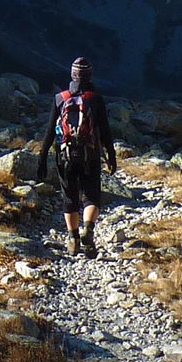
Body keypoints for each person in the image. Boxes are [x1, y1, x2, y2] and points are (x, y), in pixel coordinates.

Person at [37, 56, 117, 258]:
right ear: (90, 76)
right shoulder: (95, 98)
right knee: (91, 196)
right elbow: (105, 131)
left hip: (64, 155)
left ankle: (73, 239)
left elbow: (49, 132)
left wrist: (42, 158)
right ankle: (88, 230)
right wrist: (111, 154)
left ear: (72, 75)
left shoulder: (60, 98)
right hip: (90, 154)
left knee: (69, 197)